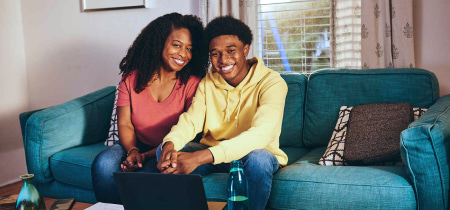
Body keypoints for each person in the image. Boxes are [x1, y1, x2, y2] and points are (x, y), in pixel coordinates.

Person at [156, 15, 288, 209]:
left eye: (230, 51)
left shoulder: (272, 83)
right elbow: (191, 121)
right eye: (215, 53)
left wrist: (200, 157)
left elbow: (261, 135)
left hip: (251, 155)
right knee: (167, 152)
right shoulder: (208, 83)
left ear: (245, 49)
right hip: (213, 154)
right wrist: (169, 143)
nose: (223, 59)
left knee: (260, 159)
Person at [91, 12, 208, 204]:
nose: (183, 54)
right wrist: (133, 151)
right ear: (159, 42)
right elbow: (125, 123)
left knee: (149, 173)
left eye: (189, 49)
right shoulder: (131, 77)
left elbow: (188, 133)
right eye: (177, 45)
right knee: (103, 164)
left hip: (170, 149)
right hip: (135, 144)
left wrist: (144, 156)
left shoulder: (193, 84)